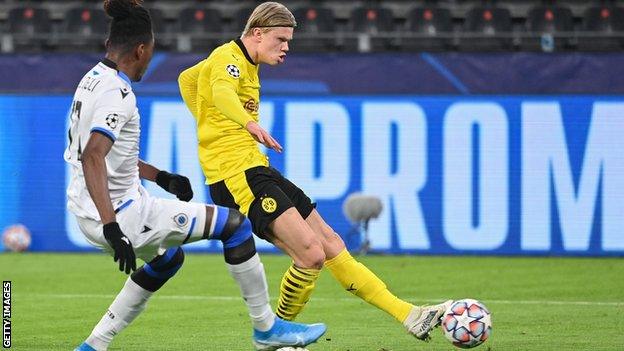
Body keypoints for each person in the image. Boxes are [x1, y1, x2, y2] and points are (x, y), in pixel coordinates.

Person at [178, 1, 453, 343]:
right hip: (235, 176)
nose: (286, 47)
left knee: (331, 244)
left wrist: (206, 119)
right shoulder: (228, 60)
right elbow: (219, 92)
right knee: (310, 254)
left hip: (255, 167)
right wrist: (245, 123)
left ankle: (410, 315)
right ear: (258, 33)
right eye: (280, 39)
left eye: (289, 41)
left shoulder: (241, 62)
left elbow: (187, 79)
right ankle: (272, 335)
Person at [66, 1, 326, 350]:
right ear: (142, 49)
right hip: (120, 214)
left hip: (88, 208)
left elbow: (106, 154)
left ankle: (93, 345)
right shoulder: (119, 93)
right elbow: (93, 156)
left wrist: (161, 178)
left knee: (168, 259)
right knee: (234, 227)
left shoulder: (92, 80)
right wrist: (113, 227)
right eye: (151, 51)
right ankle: (266, 328)